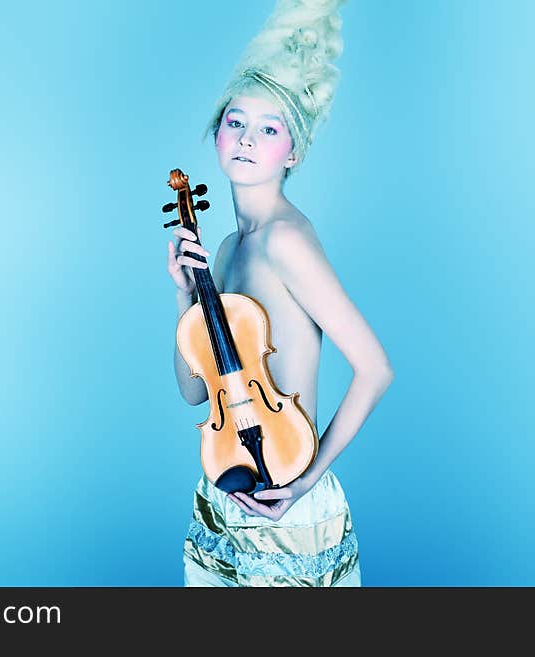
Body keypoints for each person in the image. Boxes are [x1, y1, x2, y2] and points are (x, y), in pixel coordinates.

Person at [166, 0, 393, 586]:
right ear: (216, 133)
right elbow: (196, 393)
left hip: (287, 500)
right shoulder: (225, 250)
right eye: (235, 122)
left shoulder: (286, 241)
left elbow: (375, 369)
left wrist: (308, 478)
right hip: (225, 490)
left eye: (269, 129)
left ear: (292, 152)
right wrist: (186, 298)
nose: (245, 139)